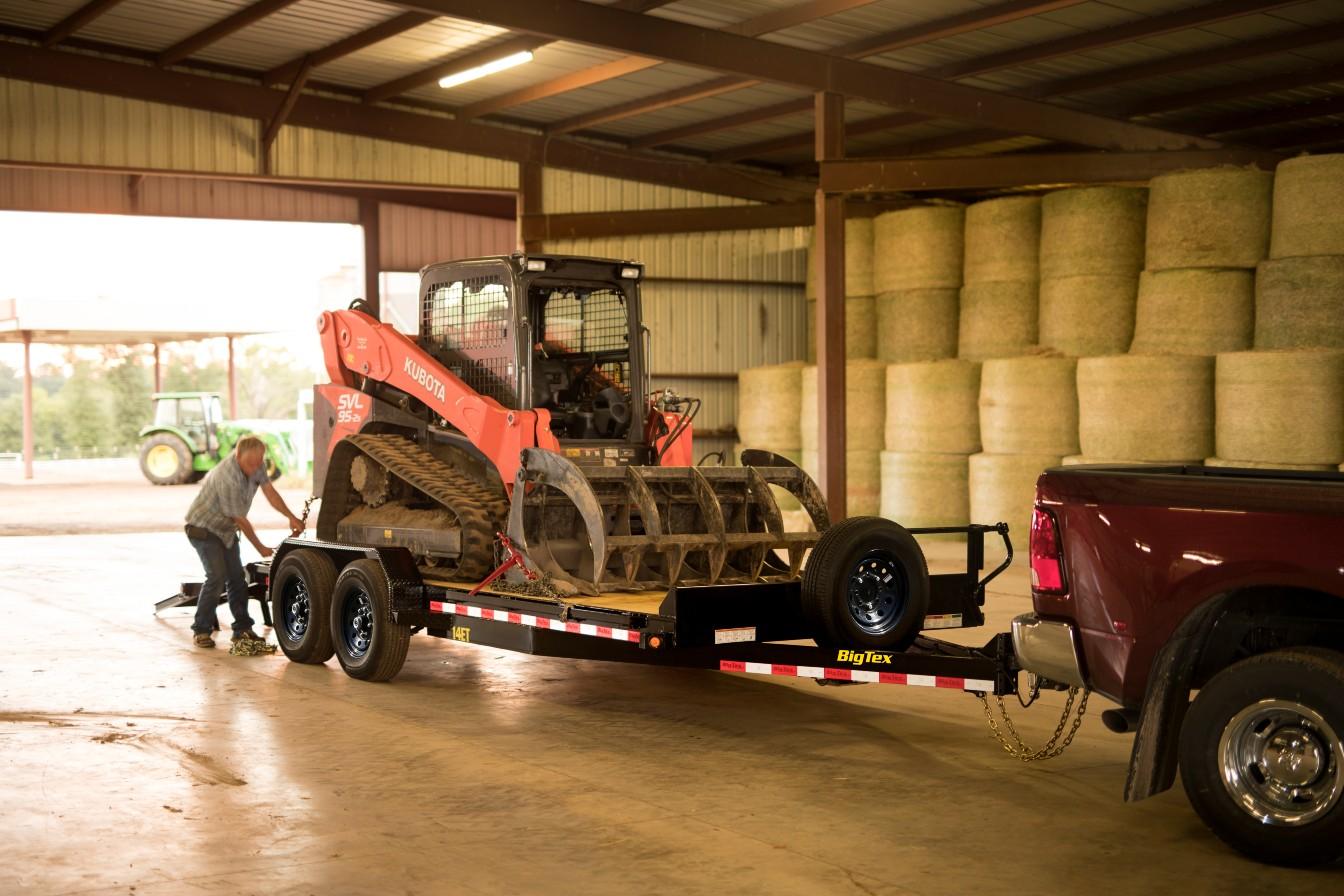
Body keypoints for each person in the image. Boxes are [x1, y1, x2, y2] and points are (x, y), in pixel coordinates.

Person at [184, 434, 304, 649]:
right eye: (250, 464)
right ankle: (201, 630)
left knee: (238, 579)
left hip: (225, 531)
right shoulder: (226, 476)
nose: (254, 468)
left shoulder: (255, 464)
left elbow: (270, 492)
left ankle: (242, 629)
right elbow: (239, 519)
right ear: (237, 455)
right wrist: (260, 547)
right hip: (202, 529)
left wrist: (291, 516)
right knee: (216, 576)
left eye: (259, 463)